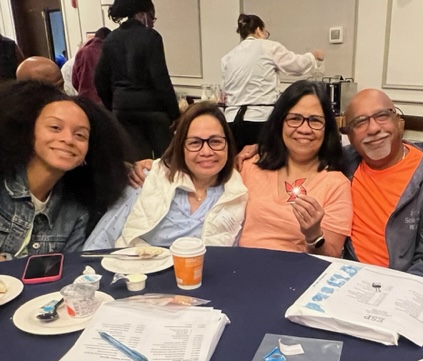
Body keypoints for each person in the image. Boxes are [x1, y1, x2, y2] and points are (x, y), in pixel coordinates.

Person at [84, 101, 247, 249]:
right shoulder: (146, 178)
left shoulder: (238, 193)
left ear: (228, 145)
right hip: (141, 274)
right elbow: (102, 239)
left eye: (215, 141)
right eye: (195, 143)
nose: (206, 152)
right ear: (180, 147)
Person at [0, 81, 131, 258]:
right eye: (55, 128)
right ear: (27, 132)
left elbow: (68, 272)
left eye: (80, 135)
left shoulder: (76, 211)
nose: (68, 139)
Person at [341, 89, 423, 279]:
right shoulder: (345, 163)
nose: (373, 128)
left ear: (399, 122)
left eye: (382, 116)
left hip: (403, 285)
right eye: (360, 122)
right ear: (350, 137)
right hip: (345, 278)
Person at [238, 80, 351, 257]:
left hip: (299, 276)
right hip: (241, 268)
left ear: (327, 128)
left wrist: (314, 235)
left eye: (315, 120)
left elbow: (332, 258)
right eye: (295, 119)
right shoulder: (250, 165)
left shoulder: (336, 184)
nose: (304, 129)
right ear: (280, 122)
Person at [221, 13, 324, 152]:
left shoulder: (228, 57)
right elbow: (296, 66)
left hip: (231, 120)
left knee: (238, 164)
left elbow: (224, 90)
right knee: (262, 163)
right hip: (259, 119)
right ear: (259, 30)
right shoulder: (268, 47)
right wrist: (314, 56)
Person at [95, 0, 179, 160]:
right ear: (142, 15)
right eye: (152, 18)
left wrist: (114, 104)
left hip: (123, 110)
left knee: (137, 164)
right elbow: (160, 78)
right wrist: (174, 113)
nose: (152, 24)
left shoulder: (111, 39)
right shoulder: (151, 37)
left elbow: (99, 79)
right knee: (166, 162)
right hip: (153, 109)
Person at [72, 28, 111, 104]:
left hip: (85, 100)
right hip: (105, 101)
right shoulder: (108, 50)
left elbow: (74, 80)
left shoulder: (82, 52)